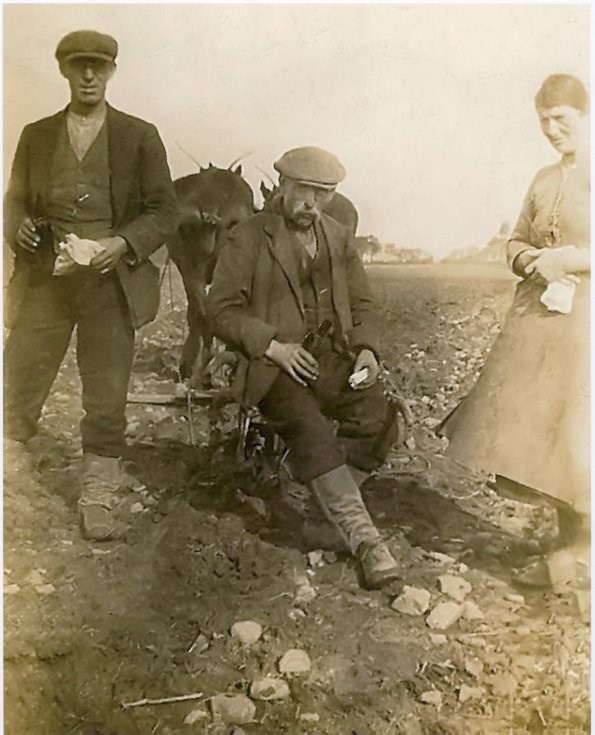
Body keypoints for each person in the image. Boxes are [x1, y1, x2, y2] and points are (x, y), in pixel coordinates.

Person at [4, 30, 179, 540]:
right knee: (17, 378)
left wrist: (122, 244)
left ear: (110, 73)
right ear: (64, 71)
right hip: (47, 282)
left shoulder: (139, 135)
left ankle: (98, 493)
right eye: (79, 66)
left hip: (110, 285)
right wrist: (17, 225)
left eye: (98, 67)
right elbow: (13, 200)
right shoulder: (36, 134)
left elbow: (165, 211)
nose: (88, 76)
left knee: (105, 394)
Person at [208, 146, 400, 590]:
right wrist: (273, 346)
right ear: (281, 186)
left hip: (330, 358)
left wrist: (367, 351)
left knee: (381, 418)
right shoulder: (249, 237)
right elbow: (220, 310)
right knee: (311, 432)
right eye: (303, 191)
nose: (311, 203)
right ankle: (366, 541)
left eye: (323, 193)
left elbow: (365, 305)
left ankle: (318, 508)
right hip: (273, 366)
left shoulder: (336, 237)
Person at [440, 74, 590, 588]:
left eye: (562, 120)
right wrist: (531, 261)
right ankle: (564, 546)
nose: (552, 130)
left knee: (578, 433)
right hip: (540, 321)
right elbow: (516, 241)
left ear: (585, 116)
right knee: (545, 434)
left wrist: (570, 258)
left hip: (585, 324)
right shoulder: (544, 179)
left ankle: (579, 553)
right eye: (544, 121)